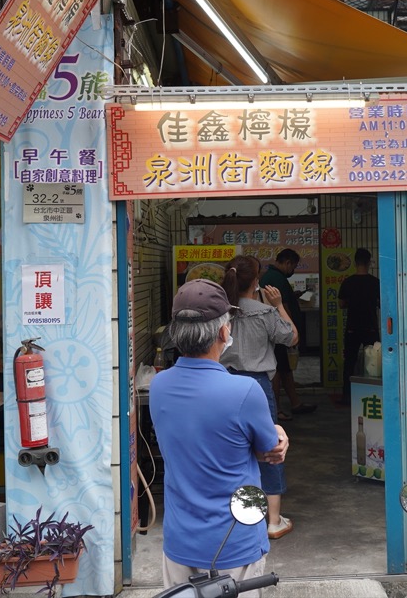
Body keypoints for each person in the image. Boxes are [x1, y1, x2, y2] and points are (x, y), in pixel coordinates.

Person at [149, 279, 289, 589]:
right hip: (234, 540)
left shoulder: (159, 386)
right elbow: (270, 450)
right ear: (224, 333)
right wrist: (280, 433)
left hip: (180, 540)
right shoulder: (244, 391)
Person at [220, 255, 298, 539]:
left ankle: (234, 516)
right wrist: (278, 305)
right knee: (270, 448)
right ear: (256, 281)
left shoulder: (220, 311)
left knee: (229, 447)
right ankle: (273, 521)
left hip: (222, 385)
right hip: (256, 387)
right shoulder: (264, 312)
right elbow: (291, 337)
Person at [259, 249, 316, 421]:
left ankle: (295, 403)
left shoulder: (270, 276)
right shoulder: (278, 278)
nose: (294, 270)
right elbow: (283, 307)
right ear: (288, 263)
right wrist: (291, 331)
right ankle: (276, 410)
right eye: (294, 266)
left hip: (272, 331)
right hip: (278, 332)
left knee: (284, 369)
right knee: (276, 370)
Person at [339, 248, 382, 400]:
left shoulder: (348, 282)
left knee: (350, 361)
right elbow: (381, 303)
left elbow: (341, 304)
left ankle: (347, 395)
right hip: (370, 326)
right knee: (374, 361)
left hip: (352, 327)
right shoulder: (376, 283)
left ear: (355, 263)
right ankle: (373, 392)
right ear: (369, 262)